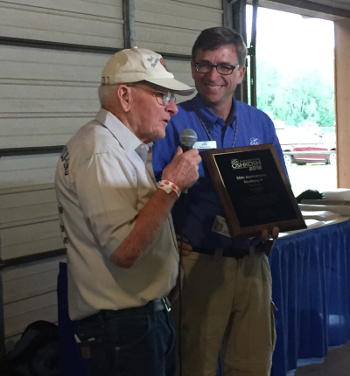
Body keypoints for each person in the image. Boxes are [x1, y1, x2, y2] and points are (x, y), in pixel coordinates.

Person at [55, 47, 201, 376]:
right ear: (125, 96)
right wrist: (172, 186)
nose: (173, 108)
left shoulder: (120, 148)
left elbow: (131, 226)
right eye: (162, 95)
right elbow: (124, 250)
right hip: (126, 327)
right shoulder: (102, 152)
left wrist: (165, 242)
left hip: (135, 324)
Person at [152, 27, 287, 376]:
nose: (213, 76)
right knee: (193, 365)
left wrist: (276, 220)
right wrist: (168, 242)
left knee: (253, 366)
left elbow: (279, 187)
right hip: (199, 264)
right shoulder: (172, 122)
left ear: (240, 72)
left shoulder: (260, 122)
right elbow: (150, 192)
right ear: (193, 67)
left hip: (255, 263)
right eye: (204, 65)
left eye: (225, 67)